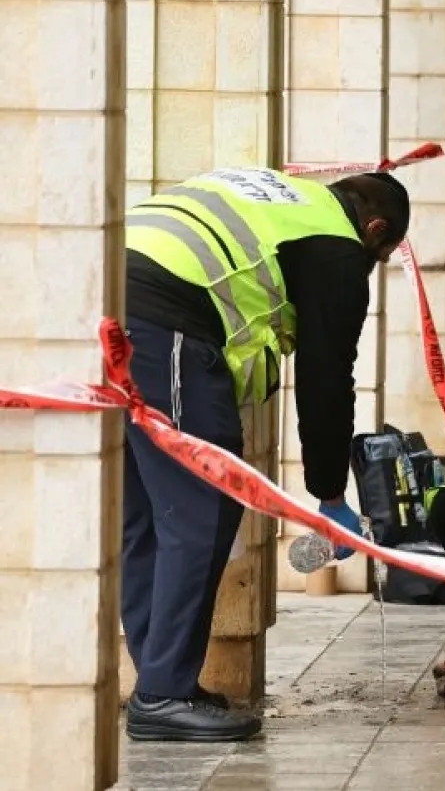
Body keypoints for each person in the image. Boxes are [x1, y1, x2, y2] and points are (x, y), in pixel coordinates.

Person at [122, 168, 411, 741]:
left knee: (149, 511)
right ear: (375, 229)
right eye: (378, 258)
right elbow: (327, 379)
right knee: (205, 502)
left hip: (112, 286)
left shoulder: (286, 196)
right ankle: (162, 693)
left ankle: (161, 676)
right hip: (165, 315)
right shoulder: (339, 248)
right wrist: (329, 494)